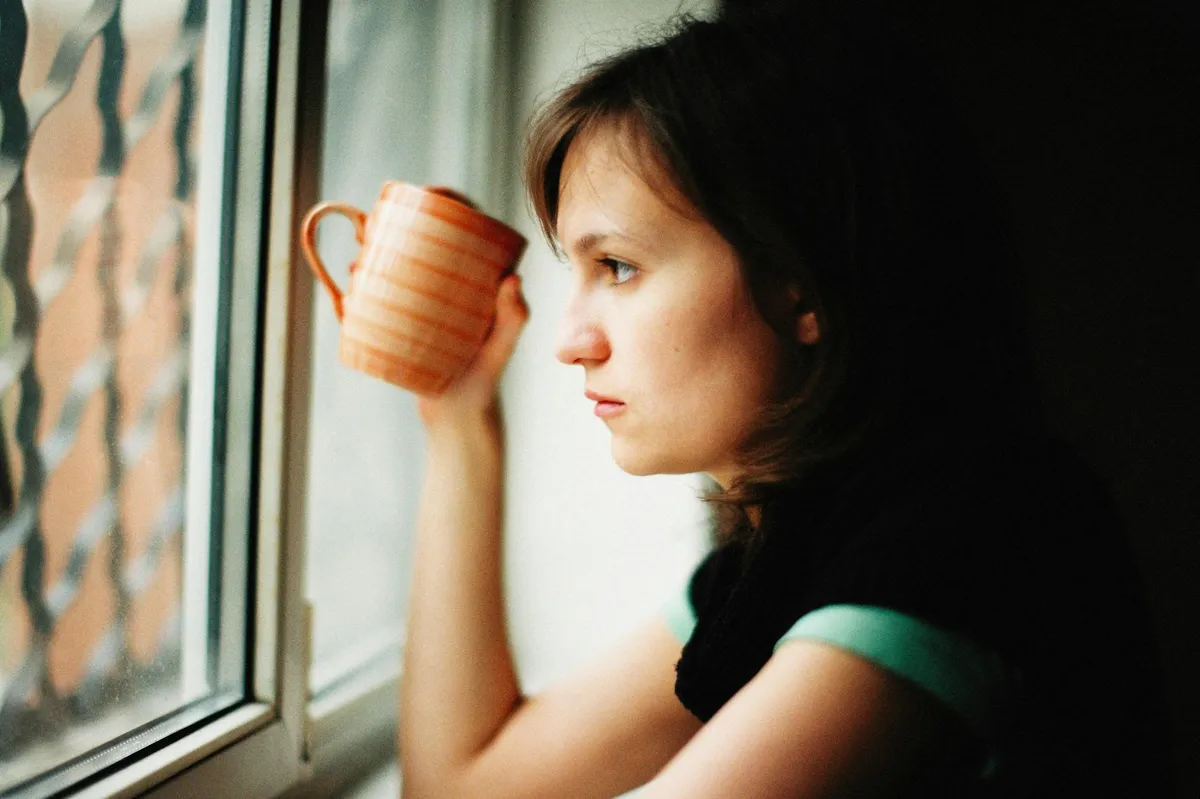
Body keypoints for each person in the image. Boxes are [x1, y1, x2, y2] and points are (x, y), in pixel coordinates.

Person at [398, 5, 1174, 797]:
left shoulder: (964, 537)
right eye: (579, 271)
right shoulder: (784, 559)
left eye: (620, 267)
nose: (569, 339)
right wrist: (460, 422)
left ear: (801, 281)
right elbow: (468, 783)